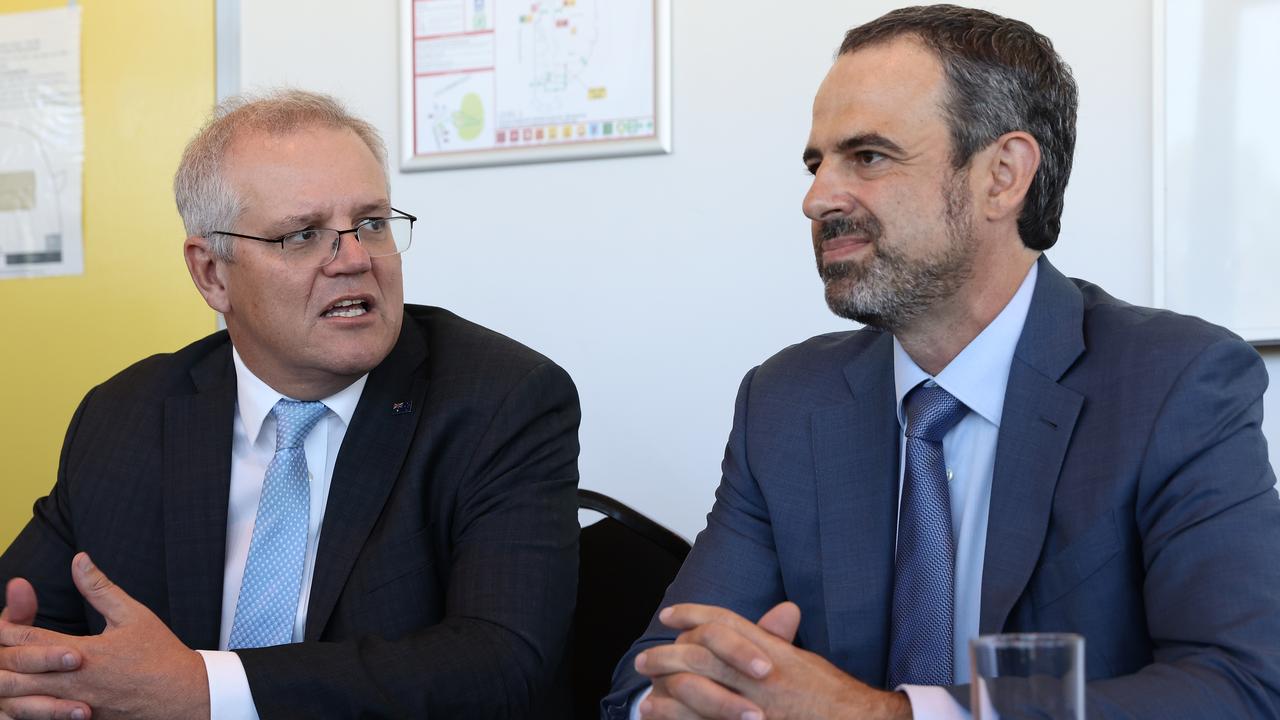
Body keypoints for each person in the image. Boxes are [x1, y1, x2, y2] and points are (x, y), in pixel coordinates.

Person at [603, 5, 1280, 720]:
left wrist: (887, 716)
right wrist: (680, 702)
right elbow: (650, 676)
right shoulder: (788, 401)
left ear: (1003, 174)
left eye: (868, 156)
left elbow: (1243, 687)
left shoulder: (1174, 382)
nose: (816, 198)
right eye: (816, 162)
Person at [0, 90, 581, 719]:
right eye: (303, 236)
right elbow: (29, 621)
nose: (355, 259)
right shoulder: (128, 414)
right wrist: (26, 675)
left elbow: (500, 665)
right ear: (211, 274)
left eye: (372, 224)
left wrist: (207, 689)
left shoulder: (501, 401)